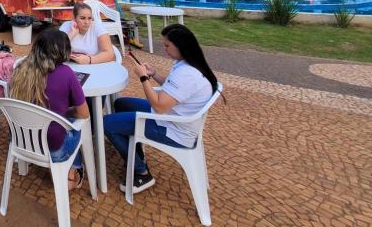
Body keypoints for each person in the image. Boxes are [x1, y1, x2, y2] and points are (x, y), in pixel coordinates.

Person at [103, 24, 218, 194]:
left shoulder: (187, 74)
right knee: (121, 104)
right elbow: (174, 90)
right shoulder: (189, 64)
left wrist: (143, 78)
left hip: (172, 128)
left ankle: (141, 172)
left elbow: (159, 106)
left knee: (106, 124)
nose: (164, 49)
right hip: (174, 117)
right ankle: (135, 148)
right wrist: (154, 73)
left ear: (180, 46)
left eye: (167, 45)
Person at [11, 29, 90, 190]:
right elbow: (84, 114)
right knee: (77, 123)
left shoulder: (21, 68)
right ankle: (72, 174)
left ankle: (65, 173)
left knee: (59, 120)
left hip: (22, 141)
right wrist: (65, 113)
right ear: (63, 51)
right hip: (54, 148)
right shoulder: (66, 73)